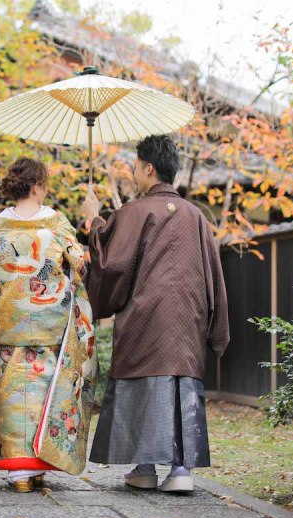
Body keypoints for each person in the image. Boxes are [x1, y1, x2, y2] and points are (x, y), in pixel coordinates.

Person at [83, 135, 229, 493]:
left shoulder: (134, 213)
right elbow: (214, 274)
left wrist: (93, 222)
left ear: (148, 168)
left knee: (143, 384)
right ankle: (181, 470)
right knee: (181, 385)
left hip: (144, 319)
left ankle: (144, 467)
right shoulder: (196, 217)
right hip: (187, 322)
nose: (133, 172)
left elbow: (110, 265)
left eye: (135, 165)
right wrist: (216, 327)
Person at [0, 157, 97, 493]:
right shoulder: (58, 225)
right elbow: (79, 266)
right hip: (49, 329)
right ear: (38, 187)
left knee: (10, 395)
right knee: (46, 394)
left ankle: (18, 471)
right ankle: (39, 463)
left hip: (7, 328)